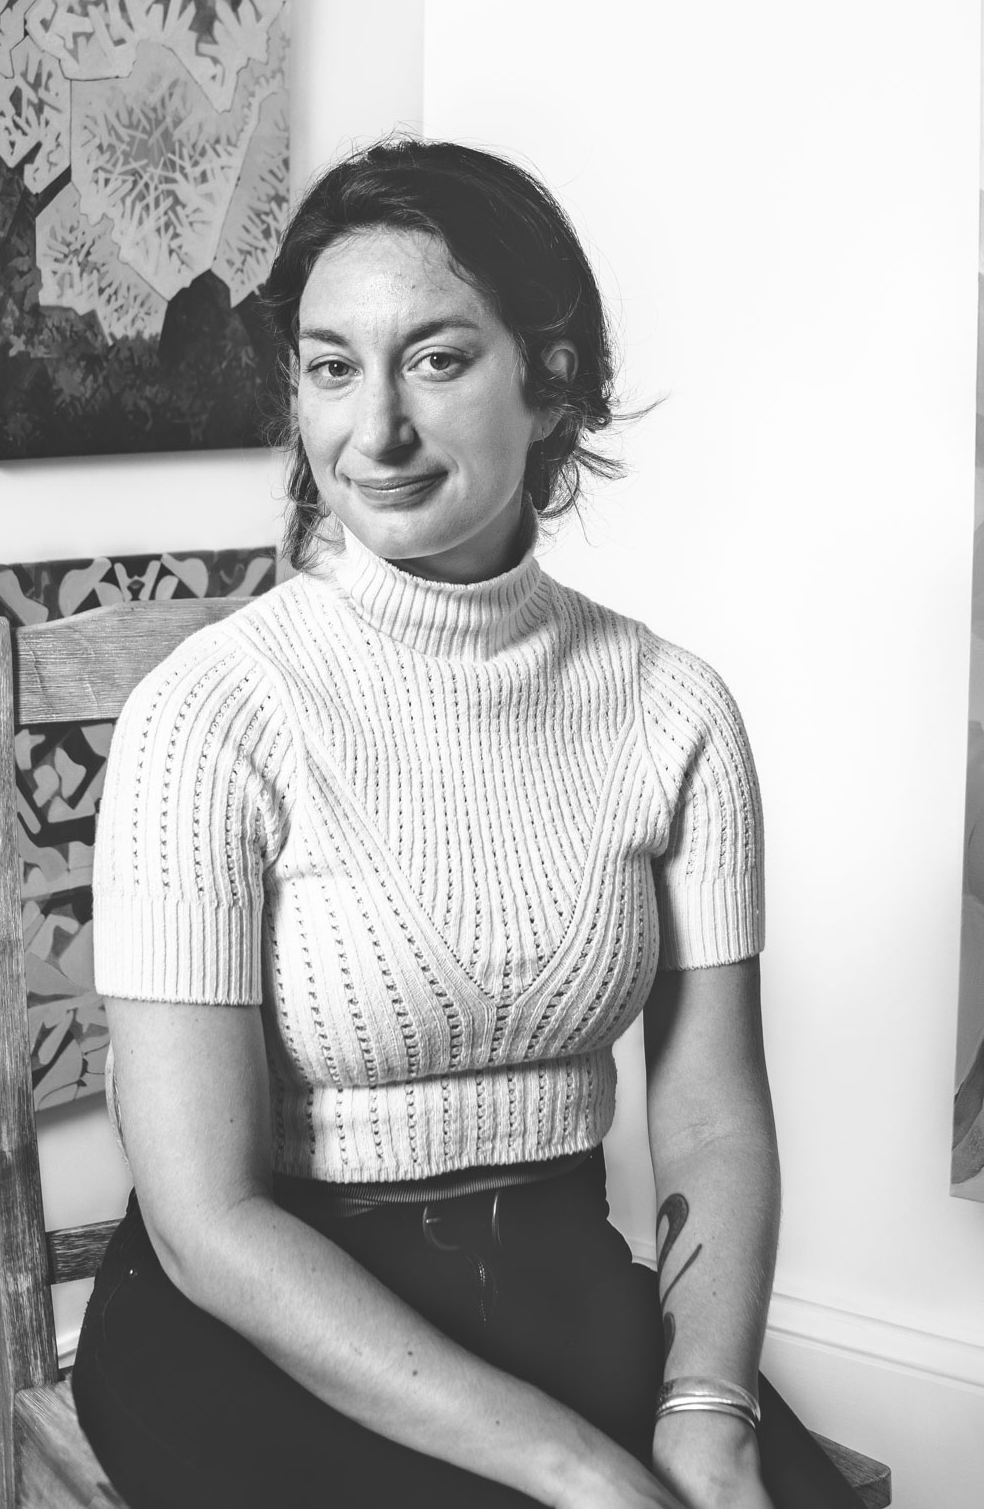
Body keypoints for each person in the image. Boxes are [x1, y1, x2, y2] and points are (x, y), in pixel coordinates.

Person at [72, 138, 864, 1509]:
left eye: (435, 360)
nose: (372, 430)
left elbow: (712, 1122)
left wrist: (708, 1410)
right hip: (253, 1324)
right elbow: (208, 1223)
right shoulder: (208, 715)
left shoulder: (674, 711)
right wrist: (577, 1465)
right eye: (331, 368)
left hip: (557, 1283)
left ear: (551, 381)